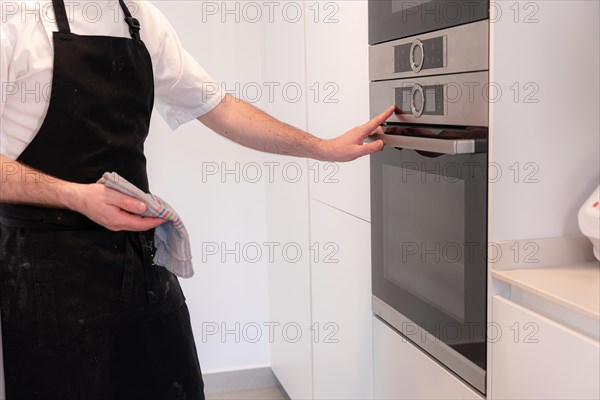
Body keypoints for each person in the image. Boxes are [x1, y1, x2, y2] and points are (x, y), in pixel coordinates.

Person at [0, 0, 393, 398]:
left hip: (139, 262)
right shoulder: (14, 17)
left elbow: (220, 108)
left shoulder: (140, 20)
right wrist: (76, 196)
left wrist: (323, 148)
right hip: (42, 272)